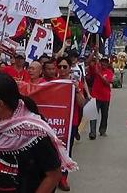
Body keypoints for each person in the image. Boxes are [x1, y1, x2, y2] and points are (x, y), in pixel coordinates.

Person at [55, 57, 86, 191]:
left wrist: (77, 90)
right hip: (53, 122)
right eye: (60, 66)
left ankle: (63, 178)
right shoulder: (51, 82)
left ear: (69, 68)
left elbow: (81, 103)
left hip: (69, 123)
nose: (62, 69)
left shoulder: (75, 83)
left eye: (65, 67)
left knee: (66, 151)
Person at [87, 55, 114, 140]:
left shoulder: (109, 72)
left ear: (108, 63)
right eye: (103, 61)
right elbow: (88, 63)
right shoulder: (96, 69)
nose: (104, 63)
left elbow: (107, 83)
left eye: (106, 62)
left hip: (105, 97)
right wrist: (94, 52)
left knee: (104, 115)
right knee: (93, 115)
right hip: (95, 96)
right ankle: (92, 133)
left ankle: (102, 130)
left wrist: (99, 74)